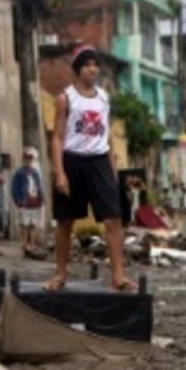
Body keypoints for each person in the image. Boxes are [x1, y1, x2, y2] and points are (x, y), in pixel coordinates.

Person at [47, 44, 133, 292]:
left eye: (95, 64)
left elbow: (106, 137)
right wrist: (60, 172)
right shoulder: (66, 98)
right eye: (86, 65)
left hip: (99, 161)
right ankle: (60, 274)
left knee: (114, 219)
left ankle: (118, 276)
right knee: (65, 221)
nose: (92, 69)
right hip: (73, 161)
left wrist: (112, 170)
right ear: (77, 69)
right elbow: (57, 137)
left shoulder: (104, 98)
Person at [11, 147, 44, 257]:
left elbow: (39, 186)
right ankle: (25, 244)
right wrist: (17, 200)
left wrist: (41, 198)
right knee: (24, 224)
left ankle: (32, 244)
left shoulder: (35, 172)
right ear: (23, 159)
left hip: (34, 201)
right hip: (24, 201)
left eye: (30, 158)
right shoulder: (19, 173)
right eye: (26, 158)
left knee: (33, 224)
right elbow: (14, 187)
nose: (28, 160)